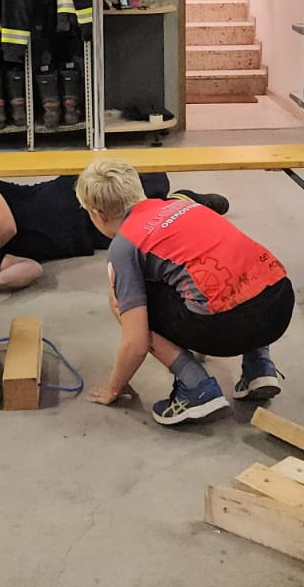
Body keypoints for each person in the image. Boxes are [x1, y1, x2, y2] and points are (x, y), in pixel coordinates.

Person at [77, 157, 291, 427]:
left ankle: (196, 387)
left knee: (122, 301)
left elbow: (136, 343)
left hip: (230, 328)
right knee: (238, 272)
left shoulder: (124, 245)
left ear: (98, 214)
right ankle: (259, 366)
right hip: (280, 303)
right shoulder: (184, 205)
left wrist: (114, 387)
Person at [0, 174, 228, 291]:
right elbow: (30, 269)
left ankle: (185, 199)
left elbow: (4, 226)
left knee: (148, 184)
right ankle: (184, 201)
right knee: (152, 229)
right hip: (84, 237)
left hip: (75, 194)